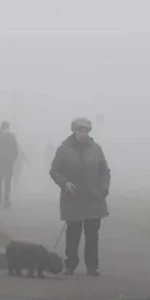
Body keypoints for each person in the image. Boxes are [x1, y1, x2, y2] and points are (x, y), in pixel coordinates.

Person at [49, 117, 111, 277]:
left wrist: (104, 187)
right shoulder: (63, 150)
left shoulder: (96, 149)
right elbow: (54, 171)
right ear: (74, 131)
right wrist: (65, 183)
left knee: (92, 235)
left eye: (86, 131)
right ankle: (70, 265)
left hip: (93, 198)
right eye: (80, 131)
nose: (83, 134)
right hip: (73, 198)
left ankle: (92, 267)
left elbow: (105, 171)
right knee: (73, 234)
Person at [0, 121, 18, 208]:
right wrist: (11, 160)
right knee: (7, 183)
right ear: (8, 128)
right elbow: (15, 152)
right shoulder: (11, 138)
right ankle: (6, 200)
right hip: (8, 165)